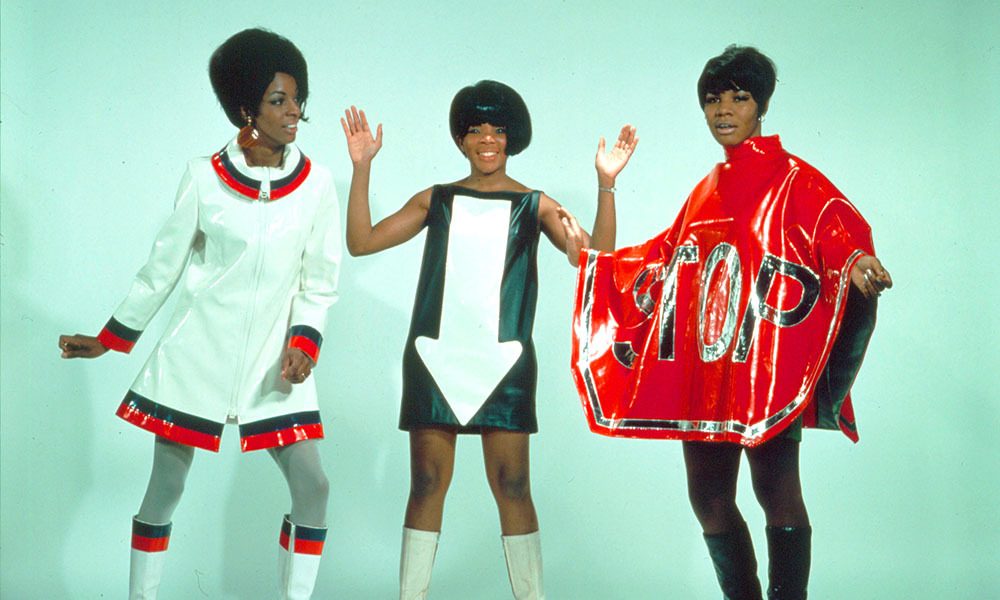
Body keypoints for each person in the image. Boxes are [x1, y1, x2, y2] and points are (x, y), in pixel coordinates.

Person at [564, 46, 892, 599]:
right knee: (708, 496)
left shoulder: (793, 178)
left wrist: (857, 259)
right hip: (707, 365)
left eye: (739, 97)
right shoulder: (706, 188)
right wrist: (600, 262)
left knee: (776, 487)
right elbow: (667, 256)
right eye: (714, 99)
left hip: (766, 368)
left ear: (760, 104)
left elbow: (832, 222)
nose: (724, 109)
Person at [58, 28, 341, 600]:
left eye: (296, 98)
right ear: (245, 109)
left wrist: (304, 344)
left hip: (274, 365)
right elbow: (160, 269)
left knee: (313, 486)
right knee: (165, 487)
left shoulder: (317, 186)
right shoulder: (204, 177)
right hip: (195, 357)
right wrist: (111, 339)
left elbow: (321, 279)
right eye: (278, 100)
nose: (293, 112)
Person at [340, 81, 636, 599]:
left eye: (497, 130)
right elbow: (362, 242)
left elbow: (597, 262)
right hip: (435, 356)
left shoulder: (534, 204)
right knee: (427, 484)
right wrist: (362, 167)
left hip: (504, 362)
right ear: (460, 139)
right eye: (475, 129)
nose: (486, 139)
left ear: (512, 138)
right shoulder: (437, 199)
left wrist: (605, 184)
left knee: (513, 486)